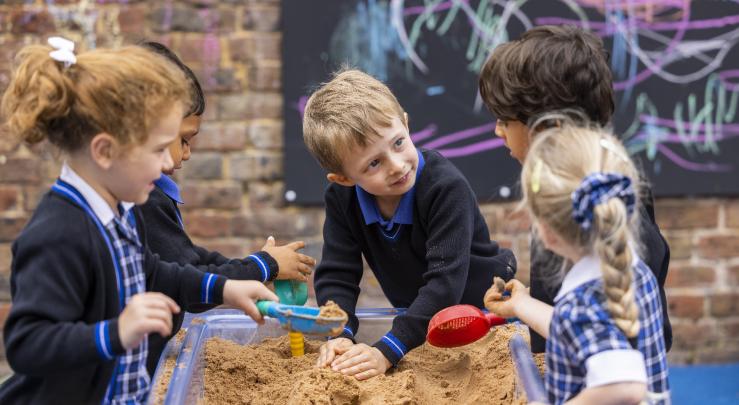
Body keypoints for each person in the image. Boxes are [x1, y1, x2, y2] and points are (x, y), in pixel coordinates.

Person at [0, 38, 278, 404]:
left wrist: (225, 289)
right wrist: (116, 332)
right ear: (105, 151)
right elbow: (27, 344)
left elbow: (150, 271)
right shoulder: (58, 233)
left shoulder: (118, 212)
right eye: (158, 149)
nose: (167, 164)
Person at [303, 69, 516, 380]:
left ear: (405, 122)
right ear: (345, 179)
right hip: (420, 320)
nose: (398, 165)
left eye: (399, 142)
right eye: (374, 163)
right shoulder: (341, 198)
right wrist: (339, 335)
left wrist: (386, 350)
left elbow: (444, 285)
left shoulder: (445, 187)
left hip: (481, 316)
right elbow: (338, 273)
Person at [478, 24, 671, 353]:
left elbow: (618, 348)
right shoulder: (595, 189)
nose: (497, 132)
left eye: (504, 120)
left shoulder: (597, 207)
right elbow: (573, 321)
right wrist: (524, 305)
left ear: (546, 128)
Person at [137, 41, 316, 376]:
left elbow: (184, 261)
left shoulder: (150, 194)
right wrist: (262, 266)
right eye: (181, 141)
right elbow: (188, 285)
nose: (185, 155)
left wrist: (261, 266)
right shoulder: (142, 199)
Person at [485, 122, 669, 404]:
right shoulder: (629, 268)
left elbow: (624, 385)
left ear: (545, 229)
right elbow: (576, 329)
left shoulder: (580, 305)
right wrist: (521, 304)